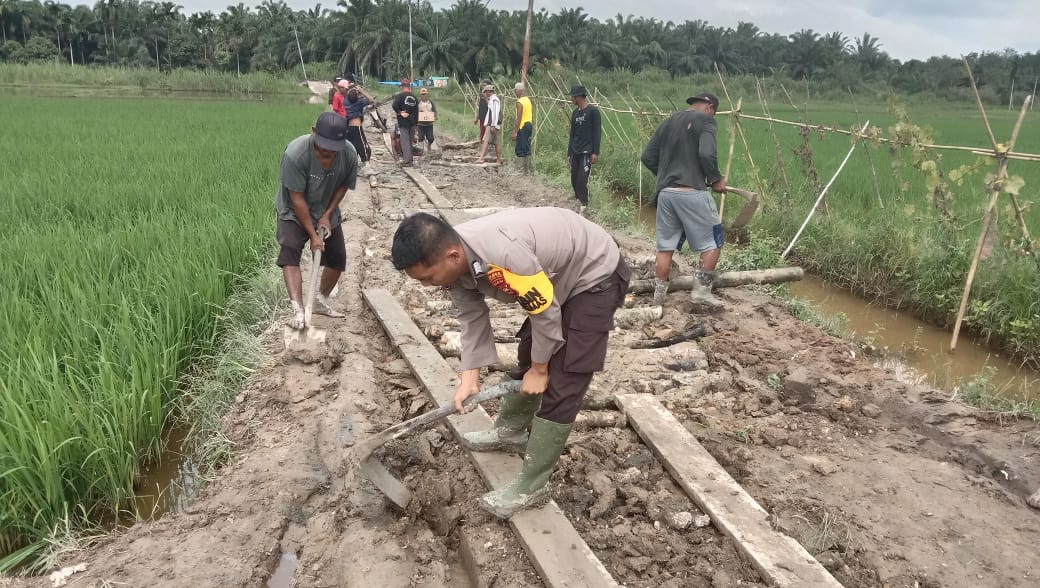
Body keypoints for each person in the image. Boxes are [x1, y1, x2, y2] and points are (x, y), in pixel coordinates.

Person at [391, 208, 630, 518]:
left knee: (566, 375)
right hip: (555, 276)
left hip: (593, 274)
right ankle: (510, 431)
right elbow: (471, 316)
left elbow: (544, 313)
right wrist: (469, 377)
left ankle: (533, 486)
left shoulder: (505, 255)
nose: (426, 285)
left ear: (451, 256)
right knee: (530, 351)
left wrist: (541, 369)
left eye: (427, 278)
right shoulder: (455, 262)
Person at [640, 91, 727, 309]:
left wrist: (666, 176)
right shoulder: (706, 121)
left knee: (666, 246)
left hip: (666, 194)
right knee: (713, 241)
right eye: (713, 112)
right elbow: (707, 154)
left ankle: (658, 298)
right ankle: (701, 294)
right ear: (709, 108)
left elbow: (647, 156)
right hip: (691, 193)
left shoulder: (669, 121)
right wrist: (715, 179)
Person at [276, 112, 359, 329]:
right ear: (314, 133)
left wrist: (327, 214)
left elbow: (343, 185)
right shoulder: (296, 154)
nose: (328, 157)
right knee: (290, 251)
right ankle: (298, 310)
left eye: (334, 152)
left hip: (326, 206)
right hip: (295, 210)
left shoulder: (349, 154)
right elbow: (297, 198)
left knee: (338, 258)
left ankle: (321, 300)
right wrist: (313, 236)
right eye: (324, 150)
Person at [566, 85, 602, 216]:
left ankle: (584, 204)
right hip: (575, 151)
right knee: (574, 178)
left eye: (573, 96)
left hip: (587, 152)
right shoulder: (575, 113)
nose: (571, 99)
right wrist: (569, 153)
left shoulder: (593, 112)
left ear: (579, 97)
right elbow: (572, 134)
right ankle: (578, 200)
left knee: (582, 179)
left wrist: (595, 152)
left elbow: (597, 133)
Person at [344, 83, 375, 171]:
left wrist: (354, 92)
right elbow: (371, 100)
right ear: (357, 96)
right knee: (363, 146)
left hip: (348, 127)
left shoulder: (345, 101)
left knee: (351, 146)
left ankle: (351, 164)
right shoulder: (359, 102)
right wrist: (362, 91)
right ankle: (366, 163)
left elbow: (350, 96)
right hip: (357, 127)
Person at [392, 77, 419, 166]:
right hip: (412, 122)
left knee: (405, 141)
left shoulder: (400, 96)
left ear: (402, 87)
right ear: (409, 86)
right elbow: (417, 112)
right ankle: (410, 158)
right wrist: (416, 124)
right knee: (410, 141)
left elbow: (394, 105)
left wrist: (400, 112)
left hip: (403, 122)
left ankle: (407, 160)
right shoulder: (415, 98)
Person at [475, 84, 502, 165]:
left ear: (488, 92)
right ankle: (499, 159)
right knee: (496, 143)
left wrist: (493, 125)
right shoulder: (492, 100)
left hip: (492, 125)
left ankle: (481, 158)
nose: (485, 94)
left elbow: (495, 113)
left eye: (486, 92)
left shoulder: (494, 100)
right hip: (493, 124)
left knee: (485, 141)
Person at [512, 82, 534, 174]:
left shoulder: (520, 102)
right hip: (529, 125)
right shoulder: (527, 100)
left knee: (520, 147)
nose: (515, 93)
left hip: (523, 126)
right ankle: (527, 170)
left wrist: (515, 132)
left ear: (518, 91)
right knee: (527, 146)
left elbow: (519, 117)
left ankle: (520, 170)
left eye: (515, 91)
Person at [417, 87, 437, 154]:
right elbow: (415, 112)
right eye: (422, 94)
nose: (424, 95)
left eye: (425, 94)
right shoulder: (418, 102)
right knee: (420, 138)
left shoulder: (430, 102)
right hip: (421, 124)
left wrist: (435, 117)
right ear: (421, 95)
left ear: (427, 94)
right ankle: (422, 150)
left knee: (431, 138)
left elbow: (434, 110)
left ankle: (429, 146)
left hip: (429, 124)